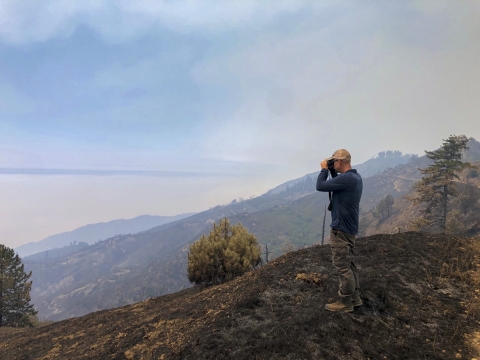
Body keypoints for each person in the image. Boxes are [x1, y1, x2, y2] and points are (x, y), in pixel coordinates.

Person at [316, 149, 363, 312]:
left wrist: (323, 170)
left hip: (341, 230)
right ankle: (355, 298)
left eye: (333, 161)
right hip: (349, 229)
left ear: (340, 162)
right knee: (350, 264)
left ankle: (345, 302)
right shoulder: (354, 177)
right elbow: (337, 184)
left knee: (342, 266)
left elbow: (320, 186)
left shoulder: (348, 179)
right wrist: (332, 171)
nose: (331, 164)